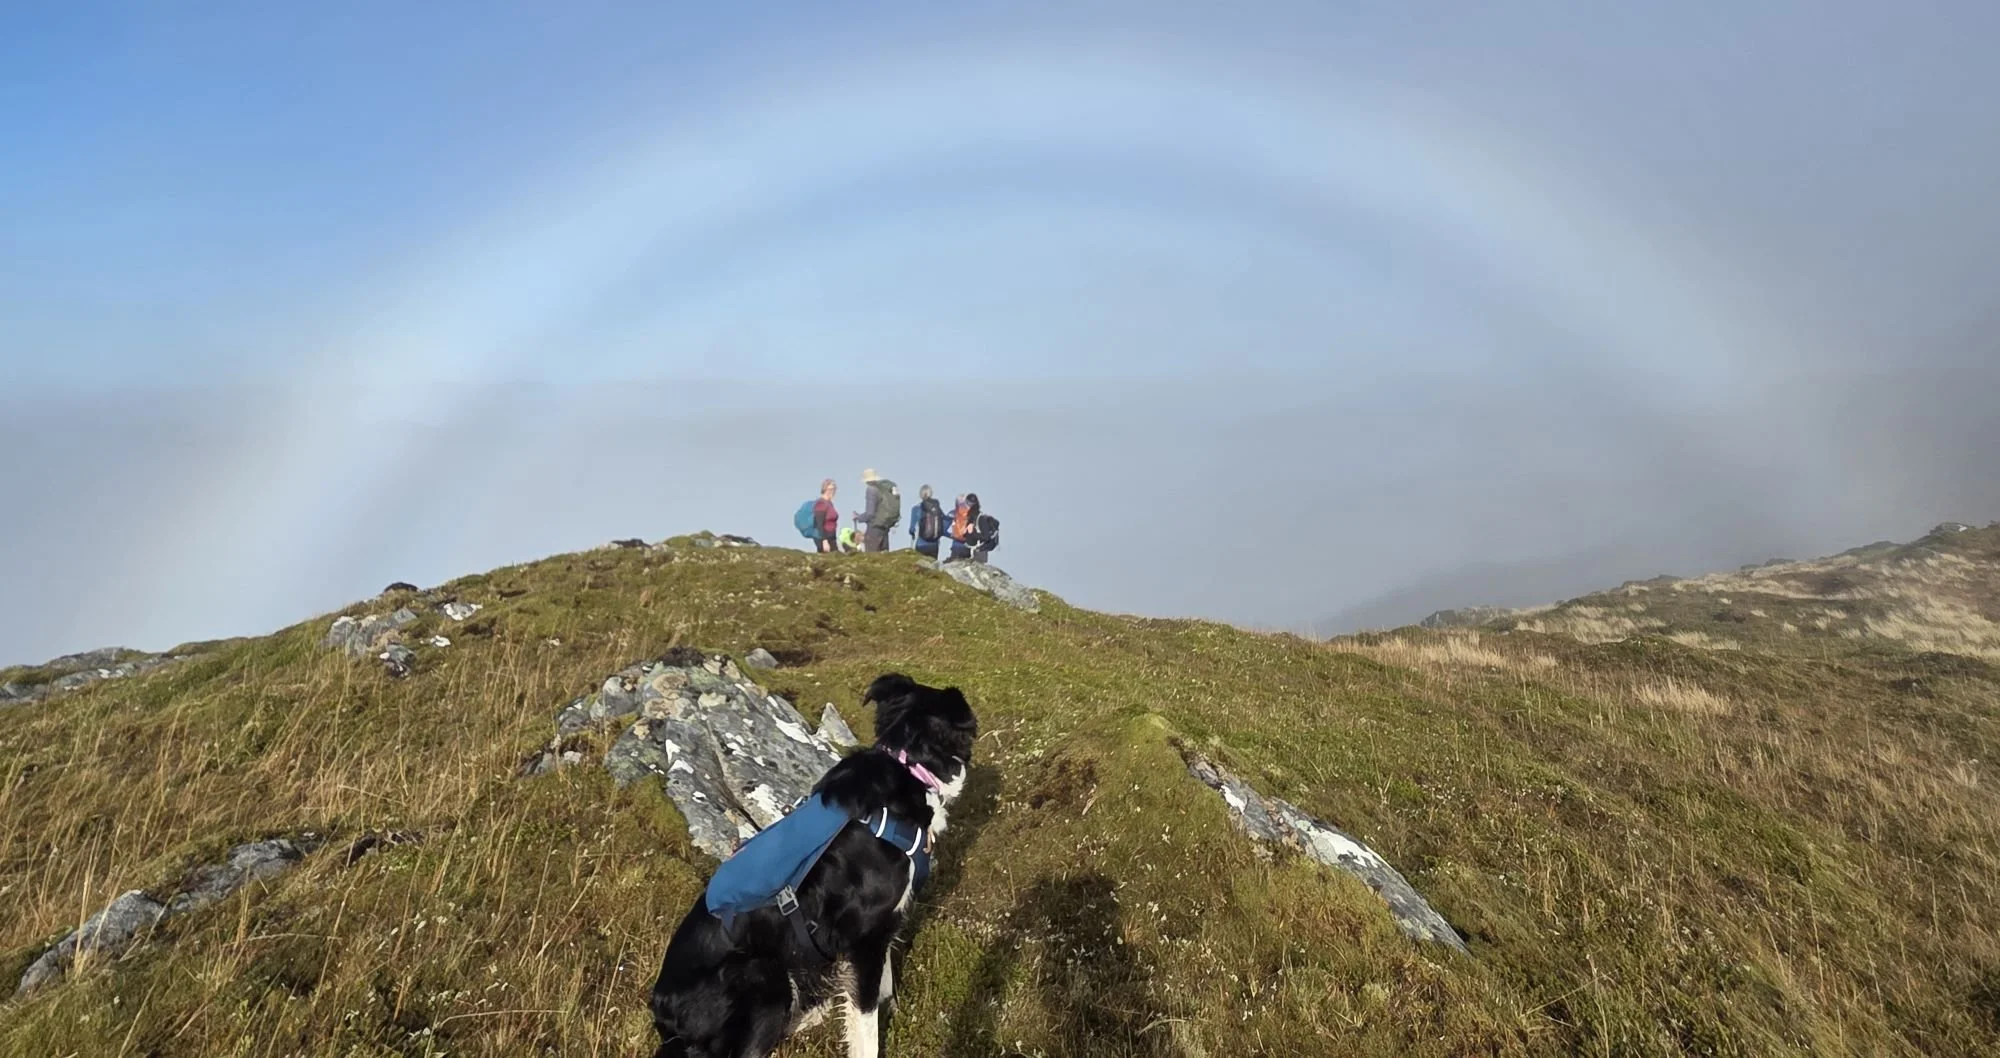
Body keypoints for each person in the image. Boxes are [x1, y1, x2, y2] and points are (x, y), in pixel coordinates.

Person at [853, 468, 901, 552]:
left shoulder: (871, 490)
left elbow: (870, 513)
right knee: (884, 556)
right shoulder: (884, 489)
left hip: (874, 528)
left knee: (872, 557)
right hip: (885, 527)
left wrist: (858, 517)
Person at [909, 485, 947, 559]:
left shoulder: (916, 508)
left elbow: (912, 529)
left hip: (921, 544)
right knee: (932, 564)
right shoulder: (937, 508)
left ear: (920, 495)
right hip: (934, 545)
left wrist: (912, 533)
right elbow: (944, 521)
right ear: (931, 494)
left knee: (920, 565)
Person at [806, 478, 840, 553]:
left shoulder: (829, 503)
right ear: (825, 490)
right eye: (831, 489)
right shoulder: (821, 504)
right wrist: (824, 541)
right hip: (824, 538)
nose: (833, 492)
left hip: (832, 537)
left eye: (834, 489)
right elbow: (819, 524)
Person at [945, 493, 973, 563]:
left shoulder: (952, 513)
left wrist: (952, 536)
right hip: (967, 547)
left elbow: (943, 530)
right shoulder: (972, 515)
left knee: (954, 566)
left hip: (956, 546)